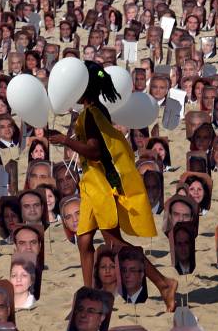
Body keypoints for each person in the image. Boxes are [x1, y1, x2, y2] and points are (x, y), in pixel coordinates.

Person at [48, 61, 176, 311]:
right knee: (84, 241)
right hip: (90, 184)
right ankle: (89, 296)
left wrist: (65, 141)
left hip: (102, 185)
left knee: (114, 243)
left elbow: (95, 151)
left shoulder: (94, 114)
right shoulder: (91, 111)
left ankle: (163, 283)